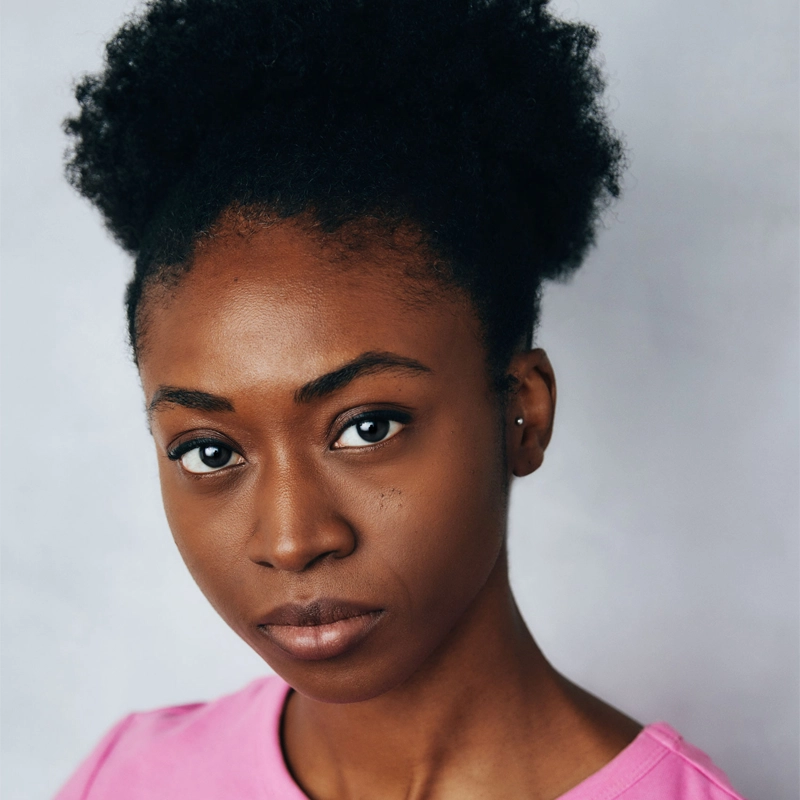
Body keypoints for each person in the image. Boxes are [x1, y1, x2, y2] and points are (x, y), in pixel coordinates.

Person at [55, 0, 749, 797]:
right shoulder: (128, 779)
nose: (291, 540)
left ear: (524, 410)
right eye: (209, 450)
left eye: (366, 427)